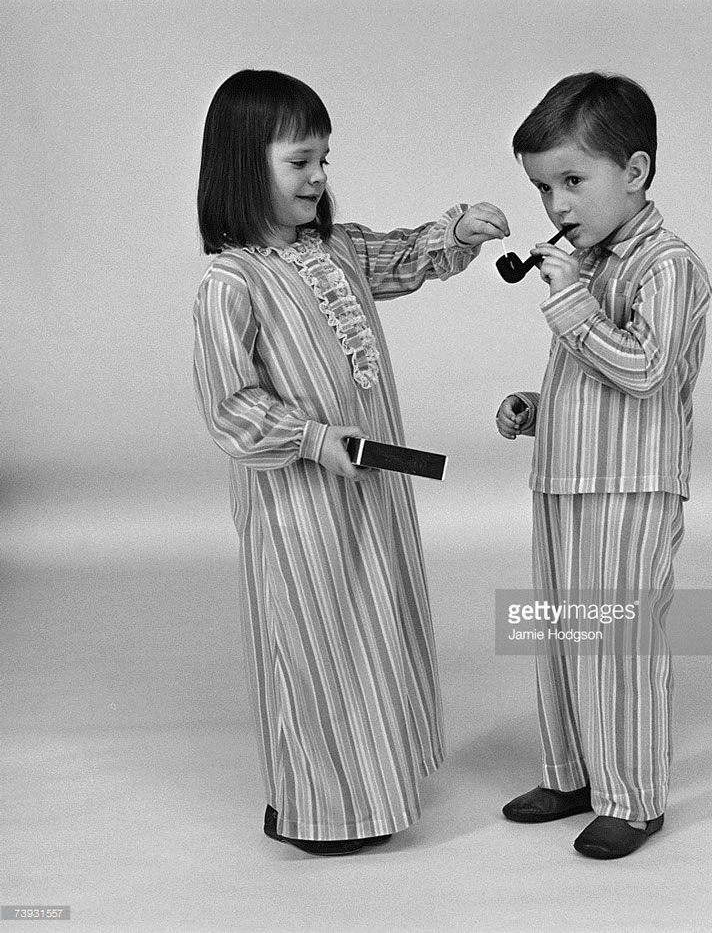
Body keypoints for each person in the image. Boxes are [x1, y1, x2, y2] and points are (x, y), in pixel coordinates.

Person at [194, 69, 508, 856]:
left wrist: (455, 234)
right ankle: (321, 803)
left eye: (324, 160)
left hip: (370, 494)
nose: (319, 177)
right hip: (299, 509)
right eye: (300, 161)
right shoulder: (231, 284)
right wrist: (311, 439)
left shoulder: (331, 249)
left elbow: (399, 257)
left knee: (375, 624)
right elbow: (230, 405)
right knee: (314, 639)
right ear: (242, 162)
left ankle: (380, 779)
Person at [496, 72, 711, 859]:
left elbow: (649, 370)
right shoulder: (587, 268)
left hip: (630, 488)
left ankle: (633, 797)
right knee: (561, 633)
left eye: (572, 181)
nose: (556, 207)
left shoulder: (667, 265)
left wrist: (570, 305)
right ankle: (572, 772)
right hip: (565, 478)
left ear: (637, 171)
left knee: (617, 641)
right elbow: (594, 375)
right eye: (543, 188)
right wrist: (538, 406)